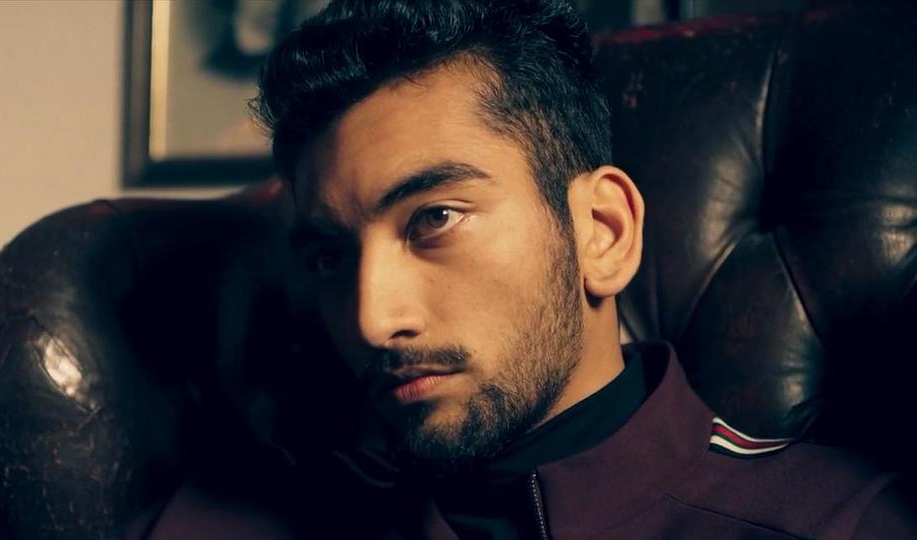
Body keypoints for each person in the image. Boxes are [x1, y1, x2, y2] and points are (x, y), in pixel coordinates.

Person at [125, 1, 916, 538]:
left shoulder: (831, 522)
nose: (372, 319)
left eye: (434, 219)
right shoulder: (247, 516)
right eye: (332, 256)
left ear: (602, 232)